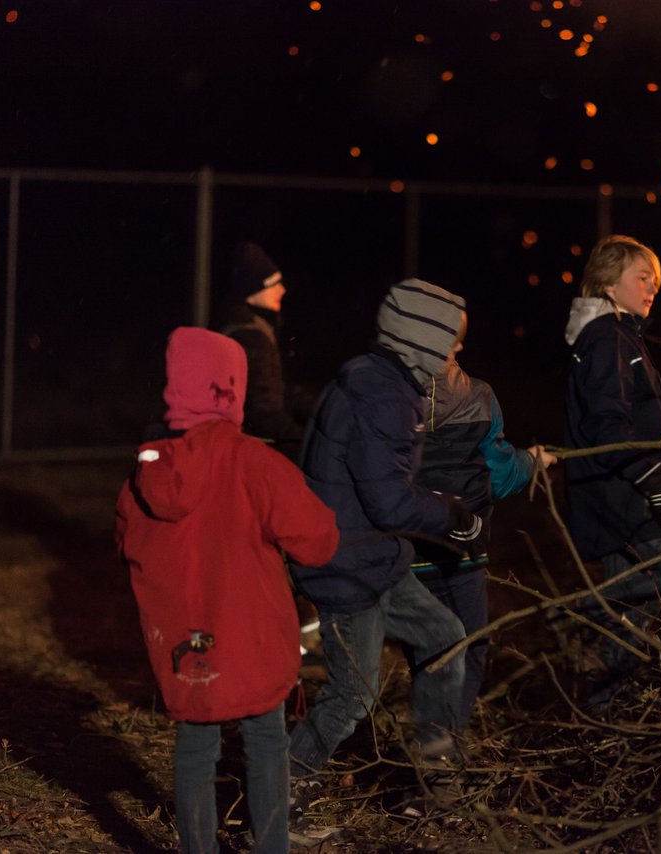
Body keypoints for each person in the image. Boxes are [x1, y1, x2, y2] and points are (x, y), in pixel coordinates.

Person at [115, 327, 339, 854]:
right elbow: (318, 541)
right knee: (265, 741)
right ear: (231, 390)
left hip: (187, 647)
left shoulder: (148, 470)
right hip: (255, 640)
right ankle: (271, 846)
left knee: (195, 747)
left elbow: (125, 541)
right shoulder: (254, 463)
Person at [287, 278, 482, 810]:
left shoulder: (382, 383)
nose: (458, 349)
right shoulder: (385, 397)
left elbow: (383, 487)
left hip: (374, 557)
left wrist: (439, 507)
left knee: (444, 636)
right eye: (451, 339)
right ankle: (276, 796)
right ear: (422, 340)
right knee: (353, 695)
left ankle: (438, 769)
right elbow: (390, 503)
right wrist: (449, 514)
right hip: (347, 567)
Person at [561, 234, 661, 713]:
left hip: (620, 496)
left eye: (656, 283)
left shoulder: (615, 337)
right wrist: (654, 482)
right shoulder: (607, 339)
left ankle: (603, 723)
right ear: (607, 282)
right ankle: (582, 610)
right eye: (642, 278)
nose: (651, 290)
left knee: (627, 625)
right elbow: (607, 427)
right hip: (624, 500)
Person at [411, 361, 556, 734]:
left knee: (428, 654)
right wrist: (531, 461)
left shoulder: (387, 392)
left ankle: (434, 744)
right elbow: (499, 474)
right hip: (460, 552)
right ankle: (441, 754)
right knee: (469, 651)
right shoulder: (478, 395)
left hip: (405, 551)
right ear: (455, 343)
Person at [214, 241, 303, 458]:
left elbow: (277, 391)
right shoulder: (250, 337)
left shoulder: (253, 328)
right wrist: (304, 442)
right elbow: (264, 413)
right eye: (273, 284)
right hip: (256, 450)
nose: (282, 290)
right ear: (253, 290)